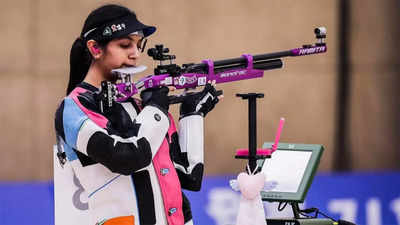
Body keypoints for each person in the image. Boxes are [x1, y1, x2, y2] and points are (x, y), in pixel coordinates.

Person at [54, 4, 220, 225]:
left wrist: (192, 115)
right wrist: (156, 110)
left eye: (139, 44)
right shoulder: (73, 108)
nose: (135, 54)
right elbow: (127, 158)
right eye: (125, 45)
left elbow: (188, 176)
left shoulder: (143, 106)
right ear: (95, 48)